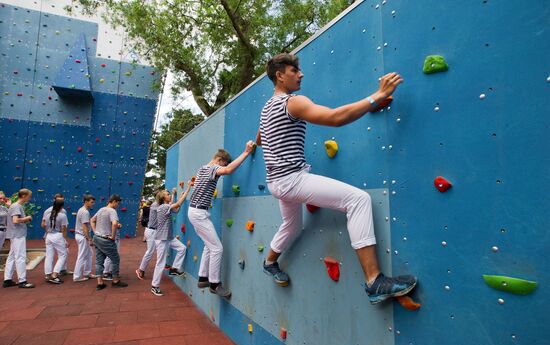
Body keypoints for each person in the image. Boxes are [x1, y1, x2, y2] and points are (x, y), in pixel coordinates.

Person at [256, 53, 417, 304]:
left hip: (276, 182)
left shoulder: (267, 108)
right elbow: (335, 118)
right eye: (293, 70)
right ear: (279, 76)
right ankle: (374, 281)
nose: (301, 74)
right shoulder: (293, 102)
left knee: (292, 225)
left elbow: (260, 136)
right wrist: (377, 95)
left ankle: (269, 262)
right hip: (291, 179)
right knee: (358, 200)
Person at [188, 143, 255, 298]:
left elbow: (224, 169)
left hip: (196, 211)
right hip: (199, 212)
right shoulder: (212, 169)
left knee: (208, 245)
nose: (222, 168)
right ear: (219, 160)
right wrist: (246, 152)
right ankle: (215, 284)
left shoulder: (202, 168)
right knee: (217, 248)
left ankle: (203, 278)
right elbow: (229, 170)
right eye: (223, 163)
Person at [151, 185, 192, 297]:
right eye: (168, 194)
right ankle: (155, 286)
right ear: (163, 198)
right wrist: (187, 190)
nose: (169, 195)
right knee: (161, 263)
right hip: (162, 239)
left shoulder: (166, 206)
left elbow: (177, 209)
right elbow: (177, 204)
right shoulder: (163, 207)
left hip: (168, 237)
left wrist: (174, 194)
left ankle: (174, 268)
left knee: (182, 248)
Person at [90, 194, 128, 290]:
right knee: (115, 259)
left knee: (99, 261)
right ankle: (115, 281)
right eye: (118, 203)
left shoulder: (101, 209)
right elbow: (114, 223)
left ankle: (100, 283)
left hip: (97, 238)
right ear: (114, 201)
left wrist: (95, 231)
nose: (118, 206)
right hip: (106, 239)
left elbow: (92, 220)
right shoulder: (112, 211)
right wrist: (113, 236)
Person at [2, 189, 35, 289]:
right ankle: (22, 281)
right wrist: (27, 218)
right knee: (20, 257)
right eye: (29, 196)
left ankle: (7, 279)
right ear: (24, 196)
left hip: (15, 234)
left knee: (11, 257)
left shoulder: (15, 206)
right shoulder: (17, 206)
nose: (30, 198)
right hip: (18, 235)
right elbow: (15, 220)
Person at [42, 193, 72, 276]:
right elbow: (64, 229)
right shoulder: (62, 215)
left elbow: (44, 225)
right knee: (63, 254)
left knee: (49, 255)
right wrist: (66, 239)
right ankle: (55, 273)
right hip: (58, 235)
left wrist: (47, 234)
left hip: (50, 235)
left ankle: (48, 274)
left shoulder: (48, 214)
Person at [73, 194, 96, 282]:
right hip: (83, 236)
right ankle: (77, 276)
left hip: (80, 235)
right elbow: (84, 227)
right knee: (82, 255)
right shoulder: (85, 212)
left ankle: (87, 272)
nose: (93, 204)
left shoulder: (81, 210)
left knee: (89, 254)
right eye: (91, 202)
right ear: (86, 202)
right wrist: (89, 238)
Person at [136, 196, 159, 280]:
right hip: (152, 231)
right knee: (150, 251)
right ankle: (141, 269)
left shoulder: (157, 205)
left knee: (160, 249)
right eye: (167, 194)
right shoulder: (156, 205)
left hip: (154, 230)